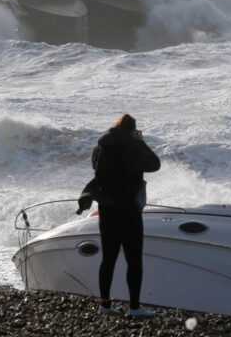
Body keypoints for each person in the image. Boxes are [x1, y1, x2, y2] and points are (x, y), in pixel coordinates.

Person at [93, 113, 160, 318]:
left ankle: (105, 305)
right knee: (134, 260)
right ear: (132, 130)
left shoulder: (101, 146)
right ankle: (134, 308)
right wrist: (142, 143)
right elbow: (154, 164)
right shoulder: (132, 146)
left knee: (108, 258)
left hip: (106, 208)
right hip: (128, 210)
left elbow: (95, 167)